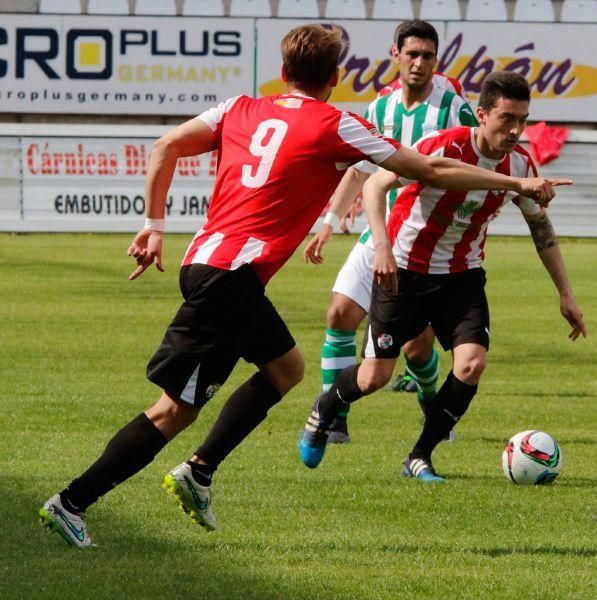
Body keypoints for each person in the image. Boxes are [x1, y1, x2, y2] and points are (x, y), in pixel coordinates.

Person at [37, 25, 566, 549]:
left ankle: (198, 472)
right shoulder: (338, 124)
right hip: (229, 278)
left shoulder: (238, 108)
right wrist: (516, 182)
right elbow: (427, 167)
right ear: (335, 77)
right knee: (173, 410)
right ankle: (74, 502)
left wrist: (154, 227)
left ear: (283, 72)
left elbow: (166, 145)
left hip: (211, 266)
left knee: (285, 368)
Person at [299, 72, 588, 482]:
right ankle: (325, 407)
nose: (516, 129)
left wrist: (566, 294)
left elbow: (542, 230)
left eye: (523, 120)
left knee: (471, 365)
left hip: (462, 276)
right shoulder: (443, 145)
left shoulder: (522, 163)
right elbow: (375, 186)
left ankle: (420, 455)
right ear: (482, 113)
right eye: (507, 118)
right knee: (375, 376)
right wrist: (380, 247)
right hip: (406, 273)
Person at [303, 20, 478, 444]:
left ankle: (431, 400)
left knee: (418, 347)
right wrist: (329, 221)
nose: (420, 64)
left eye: (428, 57)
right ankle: (334, 417)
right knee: (339, 313)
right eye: (412, 54)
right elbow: (362, 168)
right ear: (395, 54)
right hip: (379, 230)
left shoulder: (454, 108)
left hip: (423, 239)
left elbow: (475, 162)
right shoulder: (380, 108)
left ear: (438, 61)